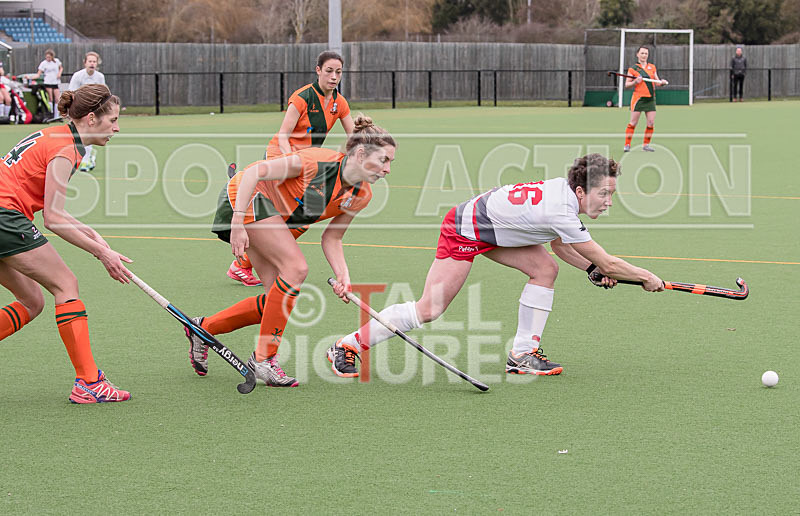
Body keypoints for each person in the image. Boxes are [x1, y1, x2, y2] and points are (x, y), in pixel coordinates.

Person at [326, 153, 664, 379]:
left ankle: (521, 354)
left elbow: (561, 245)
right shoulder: (561, 208)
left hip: (496, 230)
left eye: (611, 196)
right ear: (580, 190)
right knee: (429, 309)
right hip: (464, 228)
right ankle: (347, 345)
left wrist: (590, 270)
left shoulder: (563, 198)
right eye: (604, 194)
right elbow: (606, 260)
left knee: (545, 269)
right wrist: (645, 277)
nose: (607, 202)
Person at [185, 115, 395, 387]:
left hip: (270, 218)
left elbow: (333, 238)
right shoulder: (316, 161)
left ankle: (203, 329)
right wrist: (238, 221)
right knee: (297, 269)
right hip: (245, 198)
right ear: (361, 153)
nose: (388, 169)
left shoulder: (362, 195)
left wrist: (343, 276)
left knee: (276, 303)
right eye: (384, 160)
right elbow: (252, 173)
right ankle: (264, 359)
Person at [0, 83, 132, 403]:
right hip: (5, 218)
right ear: (90, 118)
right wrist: (103, 254)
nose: (116, 127)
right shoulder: (67, 149)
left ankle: (88, 381)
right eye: (112, 120)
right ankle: (88, 382)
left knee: (32, 302)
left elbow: (53, 210)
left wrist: (91, 234)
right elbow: (53, 219)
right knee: (66, 285)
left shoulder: (57, 136)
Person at [227, 50, 354, 287]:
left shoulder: (340, 103)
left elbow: (354, 137)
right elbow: (283, 135)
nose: (334, 77)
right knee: (282, 215)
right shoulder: (302, 97)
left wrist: (368, 154)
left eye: (338, 72)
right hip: (283, 157)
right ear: (318, 71)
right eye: (329, 71)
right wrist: (289, 163)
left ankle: (243, 264)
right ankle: (244, 262)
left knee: (303, 220)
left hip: (311, 166)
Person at [623, 46, 667, 153]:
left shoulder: (652, 67)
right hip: (638, 99)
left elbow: (656, 81)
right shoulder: (633, 69)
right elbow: (627, 84)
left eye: (646, 53)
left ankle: (646, 145)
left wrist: (662, 83)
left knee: (651, 123)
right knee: (633, 123)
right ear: (637, 54)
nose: (644, 55)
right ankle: (627, 145)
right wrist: (635, 82)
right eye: (642, 53)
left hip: (650, 99)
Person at [68, 52, 106, 171]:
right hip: (79, 110)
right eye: (90, 61)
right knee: (77, 135)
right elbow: (71, 93)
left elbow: (103, 94)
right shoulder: (78, 76)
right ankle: (81, 158)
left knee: (89, 134)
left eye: (94, 61)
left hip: (92, 111)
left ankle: (86, 159)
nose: (92, 64)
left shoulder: (100, 77)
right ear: (85, 62)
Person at [28, 48, 62, 116]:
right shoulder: (43, 63)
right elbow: (38, 74)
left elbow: (61, 68)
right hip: (48, 82)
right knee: (50, 98)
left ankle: (56, 115)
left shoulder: (56, 61)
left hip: (55, 82)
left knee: (57, 99)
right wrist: (30, 77)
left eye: (49, 57)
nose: (48, 58)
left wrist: (59, 73)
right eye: (47, 57)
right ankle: (50, 114)